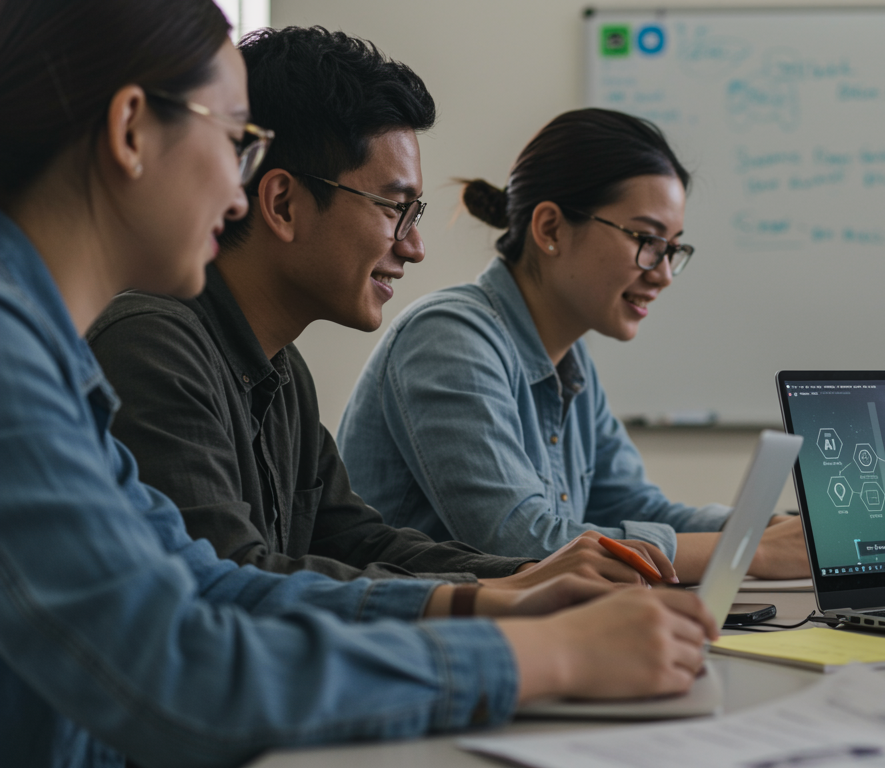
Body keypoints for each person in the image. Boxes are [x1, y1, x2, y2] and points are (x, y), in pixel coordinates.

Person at [0, 3, 714, 766]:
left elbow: (210, 584)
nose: (238, 193)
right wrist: (541, 656)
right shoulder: (34, 362)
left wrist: (494, 605)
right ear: (133, 130)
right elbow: (182, 667)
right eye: (237, 141)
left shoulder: (55, 358)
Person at [85, 25, 674, 590]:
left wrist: (522, 579)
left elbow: (357, 540)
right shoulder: (151, 345)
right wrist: (490, 595)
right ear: (284, 203)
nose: (414, 248)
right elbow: (232, 580)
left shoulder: (282, 372)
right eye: (395, 208)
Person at [337, 109, 809, 581]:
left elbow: (636, 504)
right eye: (646, 239)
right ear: (550, 229)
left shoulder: (568, 359)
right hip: (427, 645)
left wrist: (771, 530)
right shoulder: (447, 337)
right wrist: (751, 551)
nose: (663, 273)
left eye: (672, 248)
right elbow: (519, 541)